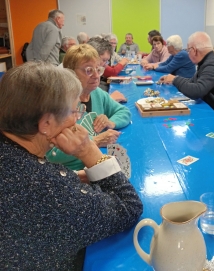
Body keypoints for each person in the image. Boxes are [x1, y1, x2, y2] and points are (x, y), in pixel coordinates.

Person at [0, 61, 143, 270]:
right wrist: (88, 151)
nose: (77, 119)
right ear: (46, 124)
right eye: (74, 111)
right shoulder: (51, 192)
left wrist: (76, 176)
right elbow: (128, 206)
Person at [46, 44, 131, 173]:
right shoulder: (60, 104)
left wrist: (109, 122)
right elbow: (51, 154)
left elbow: (124, 112)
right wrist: (95, 141)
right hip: (70, 174)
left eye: (98, 69)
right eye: (88, 70)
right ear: (71, 73)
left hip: (94, 163)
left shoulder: (97, 93)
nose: (96, 76)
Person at [158, 31, 214, 119]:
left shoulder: (213, 65)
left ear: (194, 50)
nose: (188, 53)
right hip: (213, 112)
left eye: (188, 50)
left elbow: (197, 91)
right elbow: (193, 82)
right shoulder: (207, 62)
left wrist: (175, 80)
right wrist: (174, 78)